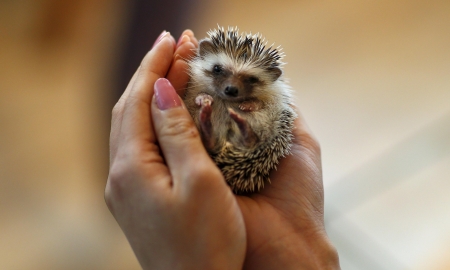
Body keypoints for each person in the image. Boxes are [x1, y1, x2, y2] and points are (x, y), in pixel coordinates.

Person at [105, 29, 340, 269]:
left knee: (256, 123)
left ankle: (227, 135)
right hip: (230, 139)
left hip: (244, 145)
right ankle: (220, 133)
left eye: (250, 80)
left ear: (272, 78)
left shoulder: (268, 101)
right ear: (204, 56)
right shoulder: (200, 81)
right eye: (219, 71)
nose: (231, 87)